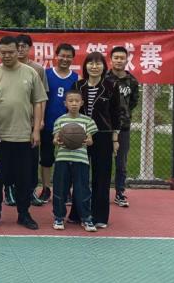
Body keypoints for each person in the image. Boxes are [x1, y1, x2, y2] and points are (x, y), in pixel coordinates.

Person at [0, 36, 47, 230]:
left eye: (11, 52)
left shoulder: (31, 73)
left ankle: (24, 214)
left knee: (24, 179)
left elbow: (38, 102)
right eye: (3, 52)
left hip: (23, 136)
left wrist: (36, 130)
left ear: (18, 51)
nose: (7, 56)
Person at [71, 51, 122, 228]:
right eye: (90, 63)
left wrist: (115, 139)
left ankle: (100, 216)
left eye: (98, 63)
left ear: (104, 66)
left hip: (103, 135)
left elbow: (116, 114)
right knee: (80, 175)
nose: (94, 66)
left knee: (101, 176)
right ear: (85, 66)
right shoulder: (78, 85)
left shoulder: (111, 86)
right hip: (80, 135)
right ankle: (78, 213)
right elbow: (71, 110)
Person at [51, 89, 98, 232]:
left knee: (82, 190)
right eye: (70, 101)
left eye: (77, 101)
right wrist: (57, 141)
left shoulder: (87, 121)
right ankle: (59, 217)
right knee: (60, 189)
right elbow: (55, 139)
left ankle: (86, 218)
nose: (74, 104)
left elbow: (91, 141)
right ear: (65, 103)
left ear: (82, 103)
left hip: (81, 160)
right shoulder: (60, 120)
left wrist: (88, 141)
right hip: (63, 159)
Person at [38, 43, 79, 204]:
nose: (65, 59)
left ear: (72, 58)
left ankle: (65, 190)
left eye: (69, 56)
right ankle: (46, 188)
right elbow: (40, 99)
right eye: (62, 55)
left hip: (68, 126)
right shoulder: (46, 74)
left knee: (67, 159)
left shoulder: (76, 78)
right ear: (56, 56)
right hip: (48, 124)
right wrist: (40, 120)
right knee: (46, 158)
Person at [15, 34, 49, 207]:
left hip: (31, 121)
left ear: (30, 48)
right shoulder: (7, 67)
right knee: (12, 157)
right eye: (18, 46)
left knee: (32, 158)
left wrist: (39, 120)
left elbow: (41, 98)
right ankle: (10, 190)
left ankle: (31, 191)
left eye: (24, 46)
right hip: (12, 121)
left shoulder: (38, 69)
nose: (20, 49)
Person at [106, 46, 139, 208]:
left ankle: (119, 192)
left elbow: (133, 102)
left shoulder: (132, 81)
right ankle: (101, 192)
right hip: (105, 127)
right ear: (111, 60)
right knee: (103, 162)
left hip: (123, 127)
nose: (119, 60)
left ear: (127, 60)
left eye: (122, 58)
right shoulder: (104, 78)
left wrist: (123, 115)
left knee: (121, 163)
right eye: (116, 58)